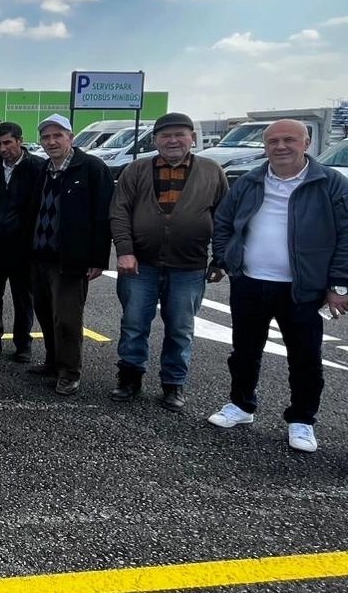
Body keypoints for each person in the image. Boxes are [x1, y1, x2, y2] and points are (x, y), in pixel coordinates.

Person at [207, 119, 348, 452]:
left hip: (302, 287)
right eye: (273, 141)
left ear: (306, 143)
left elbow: (345, 236)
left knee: (305, 358)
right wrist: (226, 257)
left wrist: (339, 284)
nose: (280, 147)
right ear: (265, 146)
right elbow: (224, 221)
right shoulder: (250, 181)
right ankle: (241, 405)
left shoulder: (329, 183)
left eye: (289, 140)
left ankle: (302, 420)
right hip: (250, 282)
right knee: (244, 352)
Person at [109, 112, 228, 411]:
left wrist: (220, 259)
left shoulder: (212, 171)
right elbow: (119, 211)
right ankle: (130, 377)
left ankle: (173, 384)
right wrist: (125, 250)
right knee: (134, 324)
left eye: (179, 134)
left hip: (189, 266)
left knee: (180, 328)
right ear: (155, 140)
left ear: (192, 138)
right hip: (141, 264)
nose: (173, 140)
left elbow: (224, 218)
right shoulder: (136, 170)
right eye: (165, 135)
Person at [28, 114, 113, 396]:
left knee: (66, 318)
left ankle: (70, 372)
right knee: (44, 313)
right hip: (40, 255)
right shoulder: (44, 169)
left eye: (57, 136)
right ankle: (53, 361)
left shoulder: (92, 168)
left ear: (71, 138)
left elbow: (103, 216)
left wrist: (98, 258)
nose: (51, 142)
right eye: (46, 137)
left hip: (69, 259)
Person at [0, 122, 44, 362]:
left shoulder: (37, 168)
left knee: (23, 298)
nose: (3, 149)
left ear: (20, 141)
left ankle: (23, 345)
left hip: (23, 246)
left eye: (8, 143)